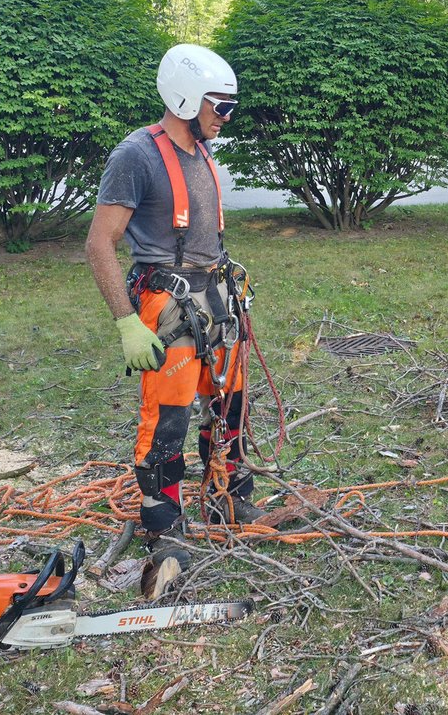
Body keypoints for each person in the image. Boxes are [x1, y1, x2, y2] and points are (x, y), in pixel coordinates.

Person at [85, 44, 263, 594]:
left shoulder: (202, 151)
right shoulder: (135, 156)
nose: (226, 117)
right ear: (185, 99)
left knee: (229, 401)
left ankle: (225, 494)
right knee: (168, 420)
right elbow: (99, 244)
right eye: (220, 106)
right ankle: (165, 527)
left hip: (216, 298)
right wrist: (125, 322)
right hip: (169, 306)